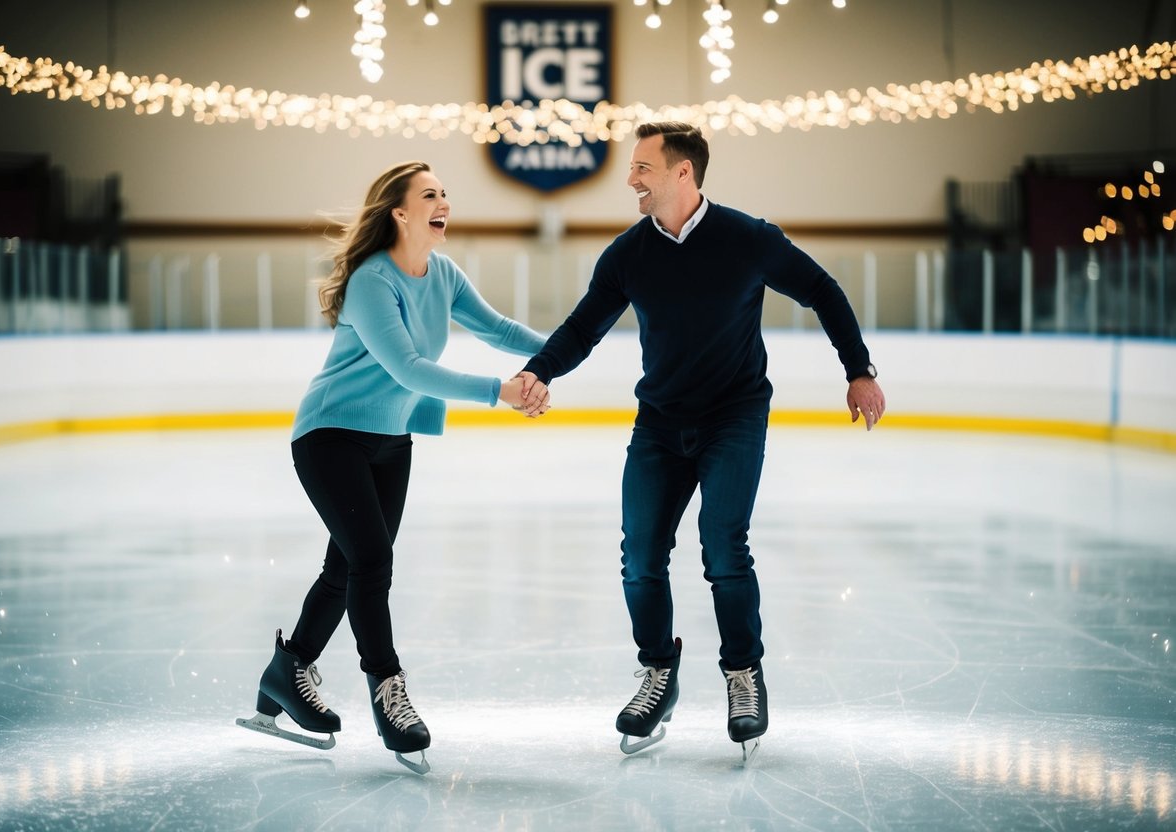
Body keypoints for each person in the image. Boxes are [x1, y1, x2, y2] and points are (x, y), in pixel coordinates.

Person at [515, 122, 885, 759]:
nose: (631, 179)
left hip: (733, 417)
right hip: (659, 422)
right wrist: (538, 371)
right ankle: (658, 671)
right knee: (640, 557)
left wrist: (858, 370)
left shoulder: (748, 239)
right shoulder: (628, 255)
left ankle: (744, 674)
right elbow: (583, 328)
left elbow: (823, 289)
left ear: (682, 173)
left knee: (722, 544)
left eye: (643, 169)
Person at [237, 160, 550, 775]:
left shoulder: (444, 273)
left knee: (347, 566)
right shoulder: (373, 282)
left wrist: (568, 348)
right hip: (331, 436)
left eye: (445, 194)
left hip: (390, 439)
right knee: (372, 561)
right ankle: (388, 690)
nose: (444, 204)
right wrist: (500, 392)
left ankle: (287, 670)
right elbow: (408, 367)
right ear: (400, 212)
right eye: (430, 195)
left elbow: (499, 329)